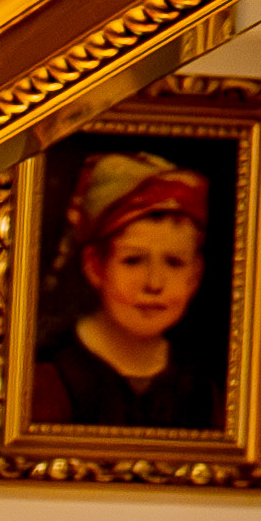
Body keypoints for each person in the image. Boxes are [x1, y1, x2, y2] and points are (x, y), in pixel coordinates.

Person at [27, 150, 222, 430]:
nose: (154, 284)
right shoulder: (49, 382)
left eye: (174, 262)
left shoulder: (203, 392)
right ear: (95, 266)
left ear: (195, 274)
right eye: (133, 260)